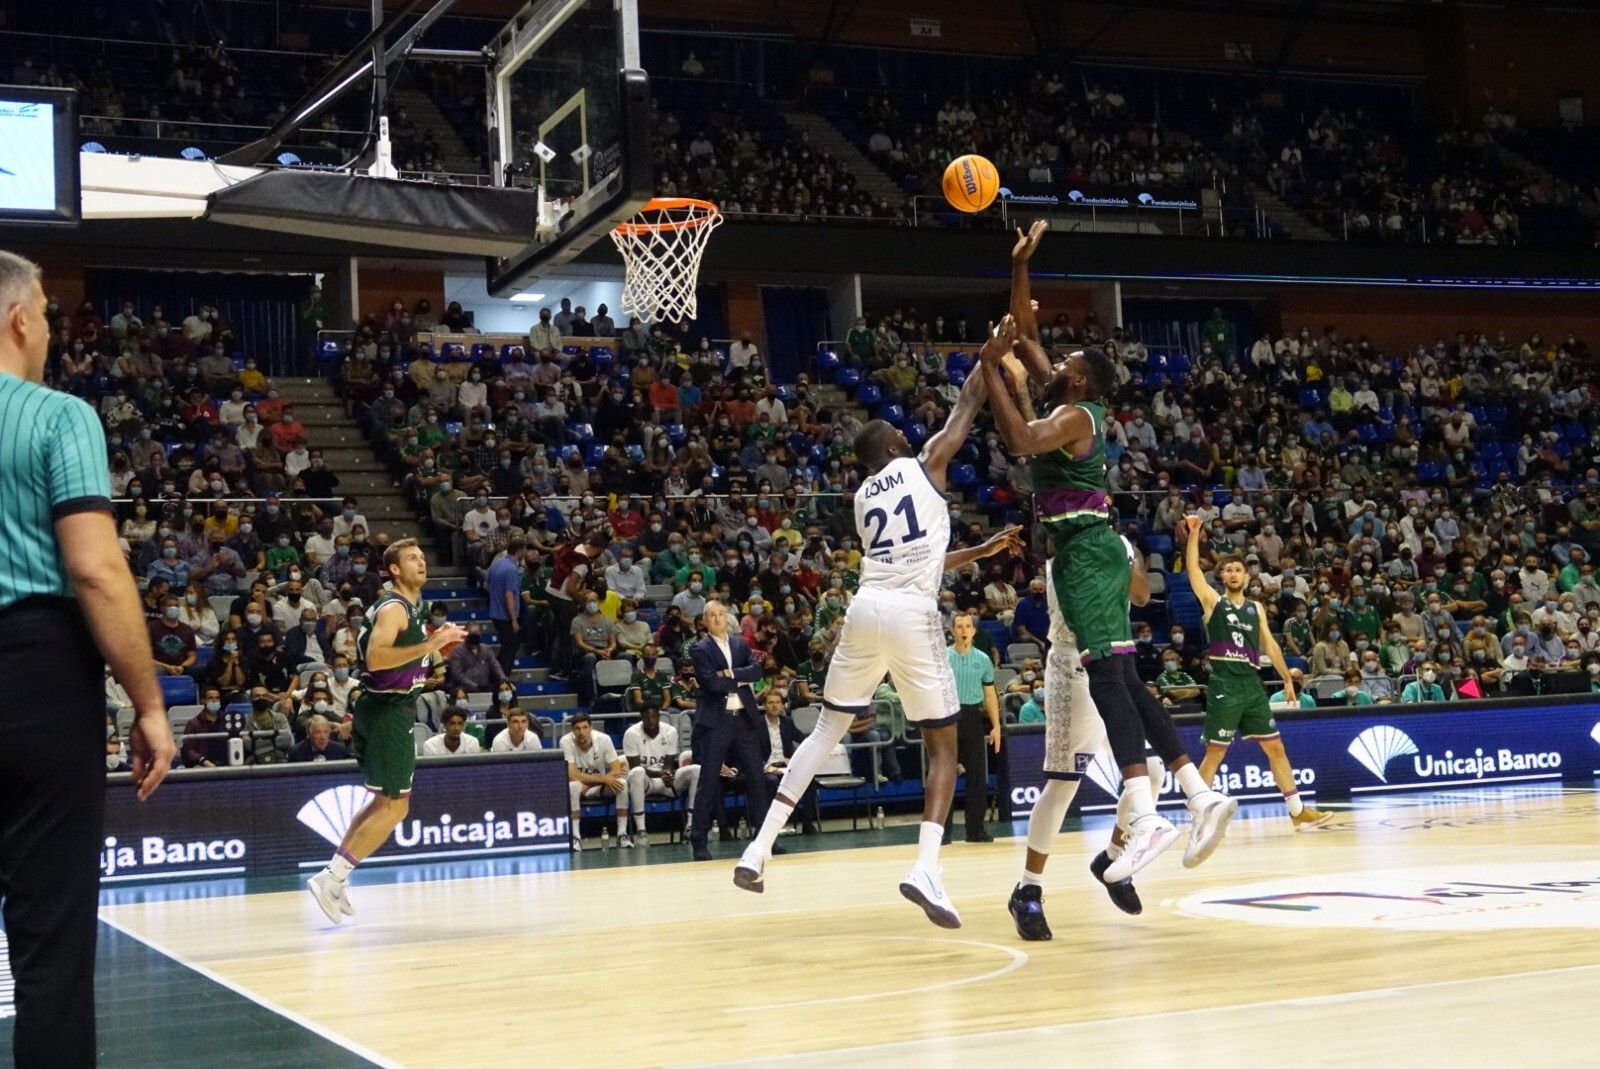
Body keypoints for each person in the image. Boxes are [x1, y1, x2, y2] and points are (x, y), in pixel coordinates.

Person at [735, 324, 1020, 930]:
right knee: (943, 743)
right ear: (891, 445)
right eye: (897, 431)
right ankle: (926, 866)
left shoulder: (863, 499)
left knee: (825, 732)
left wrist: (979, 552)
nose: (904, 431)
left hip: (865, 610)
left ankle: (758, 849)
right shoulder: (925, 464)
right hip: (913, 616)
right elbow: (969, 401)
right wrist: (991, 353)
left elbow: (913, 558)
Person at [980, 292, 1231, 899]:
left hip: (1086, 557)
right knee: (1127, 680)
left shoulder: (1076, 415)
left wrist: (992, 366)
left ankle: (1143, 818)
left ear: (1082, 377)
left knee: (1109, 681)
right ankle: (1197, 794)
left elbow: (1019, 438)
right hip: (1096, 552)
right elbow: (1032, 345)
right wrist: (1018, 267)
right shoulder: (1072, 401)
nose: (1054, 361)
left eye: (1067, 360)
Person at [0, 249, 176, 1067]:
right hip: (35, 674)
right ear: (19, 318)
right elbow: (97, 568)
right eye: (44, 311)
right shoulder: (58, 416)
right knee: (50, 945)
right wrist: (147, 702)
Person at [306, 539, 466, 924]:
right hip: (388, 712)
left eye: (423, 556)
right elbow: (377, 659)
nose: (422, 562)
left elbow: (398, 659)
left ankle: (336, 878)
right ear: (394, 569)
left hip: (383, 708)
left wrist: (430, 655)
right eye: (413, 558)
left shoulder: (410, 606)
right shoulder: (395, 608)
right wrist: (432, 642)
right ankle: (332, 878)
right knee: (397, 806)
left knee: (382, 803)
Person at [1181, 515, 1330, 830]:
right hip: (1224, 684)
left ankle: (1297, 811)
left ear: (1246, 577)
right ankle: (1197, 814)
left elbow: (1270, 646)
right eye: (1228, 570)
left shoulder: (1256, 608)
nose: (1233, 573)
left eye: (1238, 570)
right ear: (1222, 576)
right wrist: (1194, 534)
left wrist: (1287, 679)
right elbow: (1194, 571)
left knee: (1276, 747)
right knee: (1215, 753)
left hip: (1252, 685)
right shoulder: (1213, 602)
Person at [688, 600, 775, 861]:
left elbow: (757, 669)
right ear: (704, 621)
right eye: (711, 615)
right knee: (708, 780)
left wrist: (731, 673)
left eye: (721, 614)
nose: (716, 618)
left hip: (744, 719)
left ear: (727, 617)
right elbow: (712, 684)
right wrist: (740, 677)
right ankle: (699, 841)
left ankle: (765, 840)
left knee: (757, 779)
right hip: (717, 721)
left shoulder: (739, 643)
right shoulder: (699, 648)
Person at [946, 613, 1002, 842]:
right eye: (959, 626)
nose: (964, 630)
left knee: (978, 775)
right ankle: (942, 831)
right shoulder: (943, 657)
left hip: (973, 716)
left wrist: (996, 726)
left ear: (974, 630)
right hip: (947, 716)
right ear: (952, 630)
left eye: (968, 626)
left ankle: (975, 830)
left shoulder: (983, 659)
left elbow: (990, 694)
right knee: (944, 775)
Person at [622, 705, 700, 844]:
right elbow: (635, 766)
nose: (651, 721)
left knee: (696, 769)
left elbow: (669, 762)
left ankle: (691, 825)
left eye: (654, 717)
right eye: (647, 718)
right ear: (642, 719)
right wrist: (660, 774)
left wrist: (668, 775)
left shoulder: (670, 731)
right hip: (645, 783)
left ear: (659, 717)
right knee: (637, 772)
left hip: (665, 781)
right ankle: (641, 831)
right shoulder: (631, 734)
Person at [561, 712, 633, 849]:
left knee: (622, 785)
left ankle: (622, 835)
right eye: (577, 728)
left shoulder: (604, 739)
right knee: (572, 787)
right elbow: (572, 775)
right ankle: (576, 838)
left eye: (585, 727)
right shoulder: (565, 741)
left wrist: (593, 782)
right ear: (572, 730)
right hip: (581, 786)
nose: (581, 732)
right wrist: (602, 778)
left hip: (598, 787)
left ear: (591, 728)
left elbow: (616, 769)